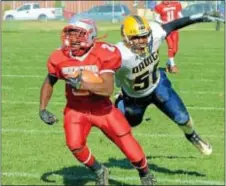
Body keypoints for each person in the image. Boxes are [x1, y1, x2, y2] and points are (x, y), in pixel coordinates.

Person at [39, 18, 156, 186]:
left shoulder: (104, 53)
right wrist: (43, 108)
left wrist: (81, 84)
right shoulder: (59, 56)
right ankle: (99, 170)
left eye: (79, 35)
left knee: (130, 148)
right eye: (70, 34)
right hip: (76, 109)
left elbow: (107, 89)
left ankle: (145, 173)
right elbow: (49, 81)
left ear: (91, 35)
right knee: (75, 145)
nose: (73, 39)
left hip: (102, 109)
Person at [115, 13, 223, 156]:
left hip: (158, 85)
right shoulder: (118, 55)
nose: (142, 41)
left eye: (144, 36)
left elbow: (176, 24)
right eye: (136, 37)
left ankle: (192, 136)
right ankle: (119, 101)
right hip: (134, 97)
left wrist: (201, 16)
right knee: (130, 123)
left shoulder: (155, 34)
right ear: (126, 38)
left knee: (183, 119)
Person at [154, 0, 183, 73]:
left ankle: (169, 63)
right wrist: (163, 22)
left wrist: (182, 22)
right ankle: (173, 66)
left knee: (175, 48)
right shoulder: (160, 6)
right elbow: (156, 18)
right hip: (167, 29)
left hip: (175, 28)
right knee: (170, 46)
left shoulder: (176, 4)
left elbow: (180, 15)